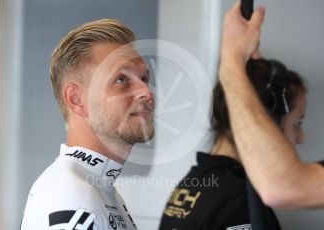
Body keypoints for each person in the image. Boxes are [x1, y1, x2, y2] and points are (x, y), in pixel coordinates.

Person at [21, 19, 154, 229]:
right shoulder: (72, 198)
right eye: (121, 79)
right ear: (76, 100)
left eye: (144, 78)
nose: (146, 92)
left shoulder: (99, 190)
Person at [159, 58, 306, 230]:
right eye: (297, 124)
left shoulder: (193, 182)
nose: (301, 138)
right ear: (266, 123)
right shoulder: (238, 198)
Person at [219, 0, 324, 209]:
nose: (302, 137)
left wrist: (232, 60)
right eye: (297, 123)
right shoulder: (233, 197)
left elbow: (286, 187)